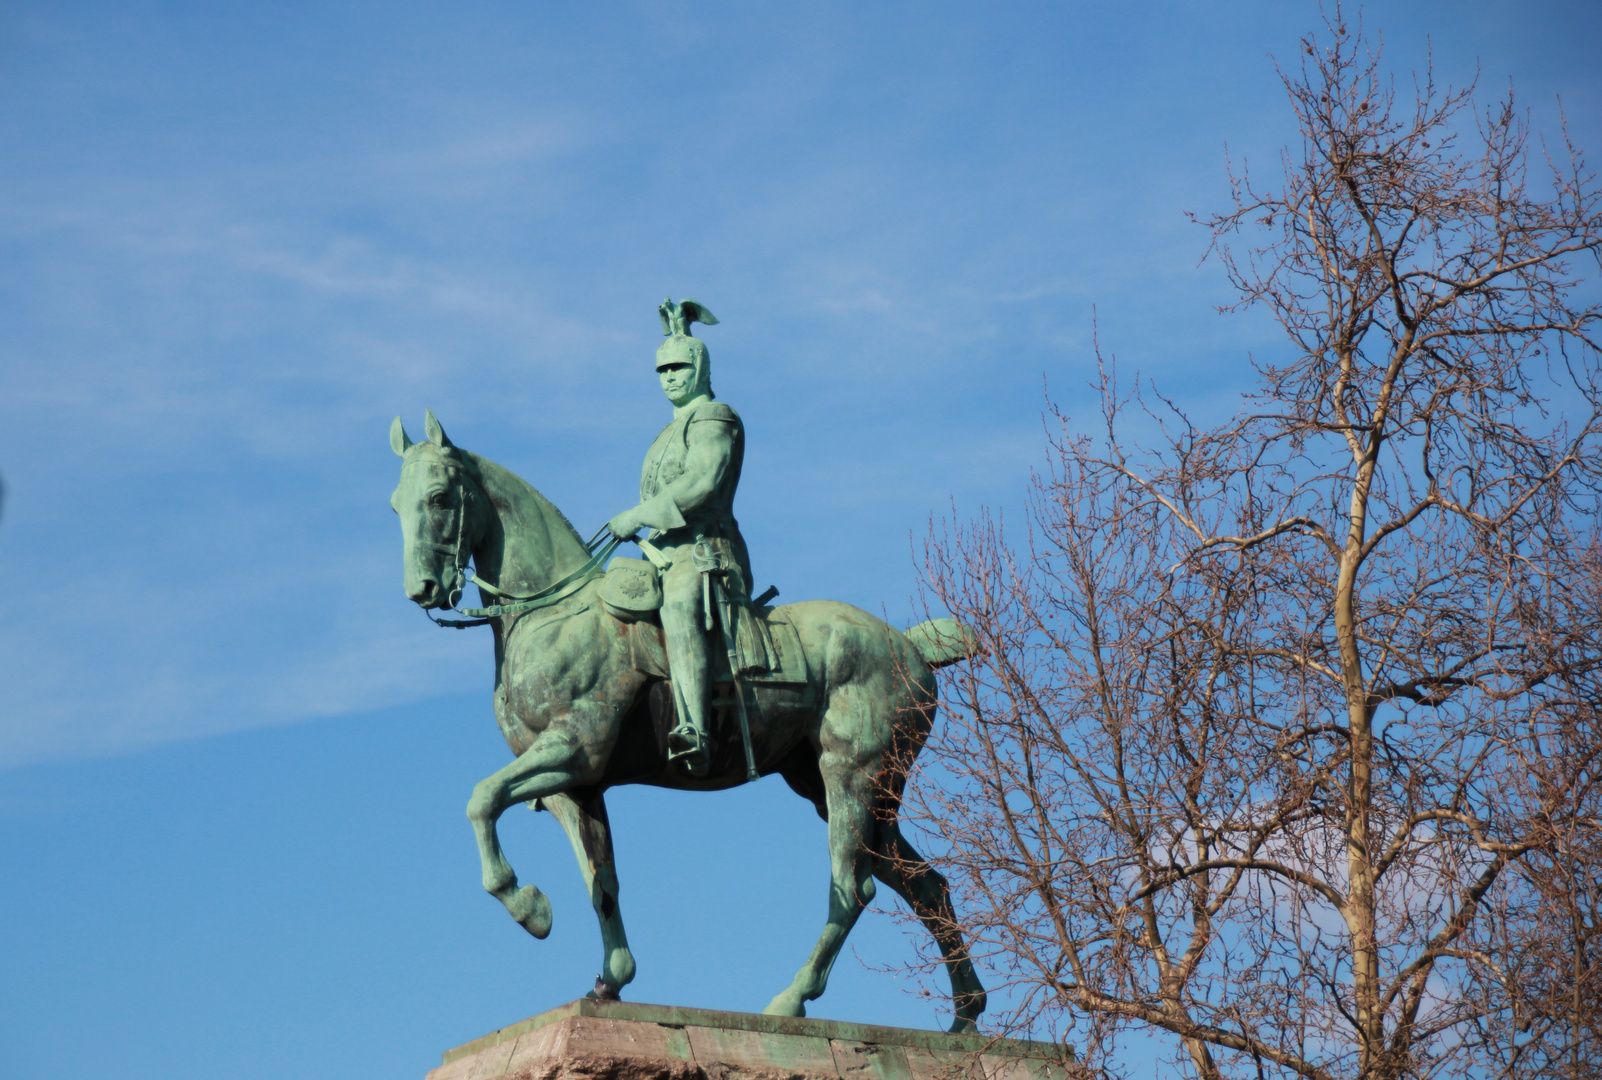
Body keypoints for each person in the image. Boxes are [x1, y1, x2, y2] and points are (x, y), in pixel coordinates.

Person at [607, 299, 752, 776]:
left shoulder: (715, 417)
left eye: (679, 366)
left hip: (705, 552)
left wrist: (638, 515)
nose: (669, 376)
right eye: (662, 369)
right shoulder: (663, 433)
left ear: (700, 368)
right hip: (661, 552)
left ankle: (695, 728)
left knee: (680, 602)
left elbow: (703, 482)